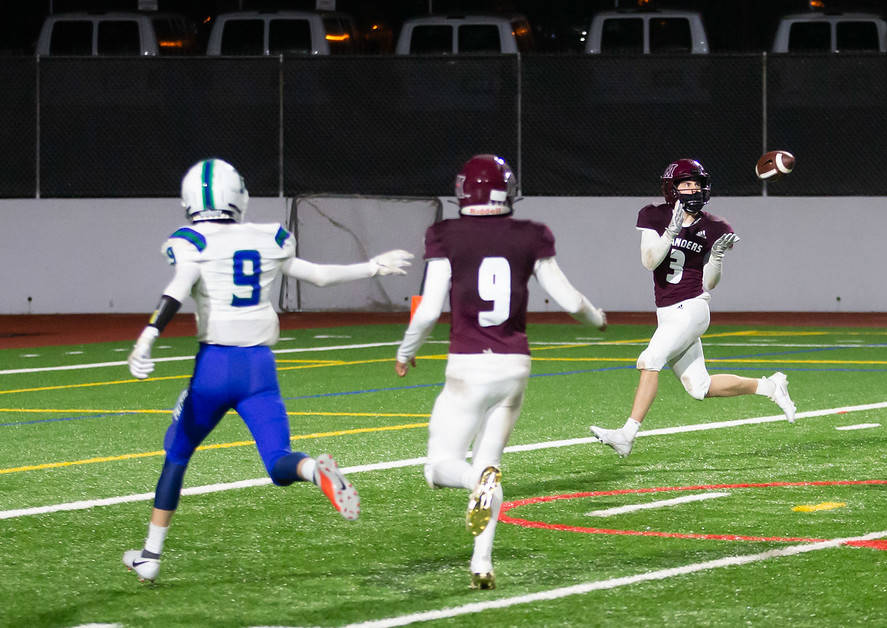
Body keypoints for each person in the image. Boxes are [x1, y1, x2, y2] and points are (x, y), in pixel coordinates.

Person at [122, 158, 413, 582]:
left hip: (215, 367)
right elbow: (317, 276)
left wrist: (149, 334)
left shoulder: (191, 242)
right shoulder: (268, 237)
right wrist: (371, 267)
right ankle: (315, 470)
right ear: (237, 195)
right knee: (278, 461)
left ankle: (151, 555)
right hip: (260, 369)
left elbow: (178, 287)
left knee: (177, 454)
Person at [394, 154, 606, 590]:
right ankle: (481, 564)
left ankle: (477, 482)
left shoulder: (444, 234)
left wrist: (406, 350)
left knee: (438, 469)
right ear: (507, 191)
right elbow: (569, 301)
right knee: (489, 462)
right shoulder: (532, 234)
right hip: (515, 366)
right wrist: (597, 319)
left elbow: (430, 308)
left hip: (469, 365)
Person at [589, 158, 796, 457]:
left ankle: (627, 434)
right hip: (668, 313)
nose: (692, 189)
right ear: (671, 188)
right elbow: (649, 261)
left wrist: (718, 257)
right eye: (686, 184)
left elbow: (710, 283)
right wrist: (671, 232)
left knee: (650, 360)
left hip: (693, 308)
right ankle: (770, 387)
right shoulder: (653, 215)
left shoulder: (714, 226)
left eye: (697, 184)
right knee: (700, 387)